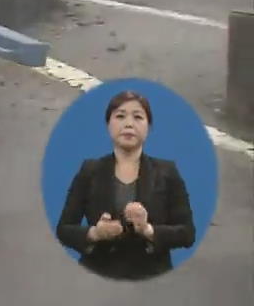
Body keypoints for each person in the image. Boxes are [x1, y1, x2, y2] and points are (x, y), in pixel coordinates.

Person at [56, 91, 196, 280]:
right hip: (98, 274)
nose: (129, 124)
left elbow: (187, 233)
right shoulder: (90, 170)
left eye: (138, 117)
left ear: (149, 127)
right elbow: (64, 229)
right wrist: (95, 233)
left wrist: (147, 229)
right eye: (120, 116)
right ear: (108, 125)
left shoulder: (168, 172)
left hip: (152, 277)